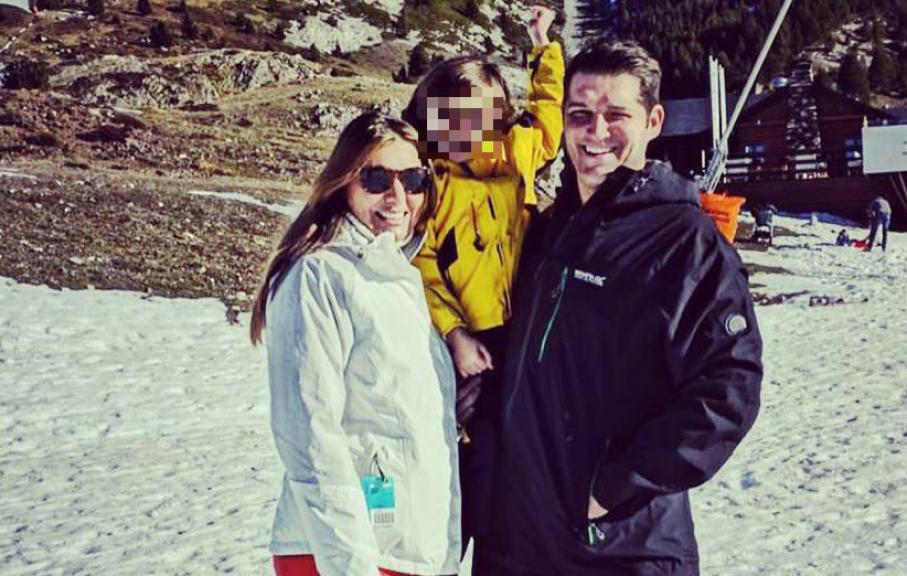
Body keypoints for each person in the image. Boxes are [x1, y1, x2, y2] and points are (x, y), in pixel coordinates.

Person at [473, 41, 763, 576]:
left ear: (653, 121)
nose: (596, 131)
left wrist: (615, 486)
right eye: (580, 114)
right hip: (519, 544)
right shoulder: (547, 230)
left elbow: (729, 387)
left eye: (616, 115)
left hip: (620, 548)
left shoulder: (685, 241)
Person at [250, 112, 461, 576]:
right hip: (346, 552)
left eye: (413, 180)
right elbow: (309, 435)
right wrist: (351, 566)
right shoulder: (319, 274)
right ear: (344, 181)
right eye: (377, 179)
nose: (398, 197)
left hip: (402, 548)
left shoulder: (396, 276)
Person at [402, 5, 563, 552]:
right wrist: (453, 333)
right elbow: (421, 264)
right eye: (451, 116)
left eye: (482, 116)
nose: (466, 129)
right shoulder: (431, 180)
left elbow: (548, 117)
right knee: (472, 462)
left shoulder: (515, 152)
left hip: (524, 336)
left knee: (520, 474)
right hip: (472, 343)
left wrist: (543, 46)